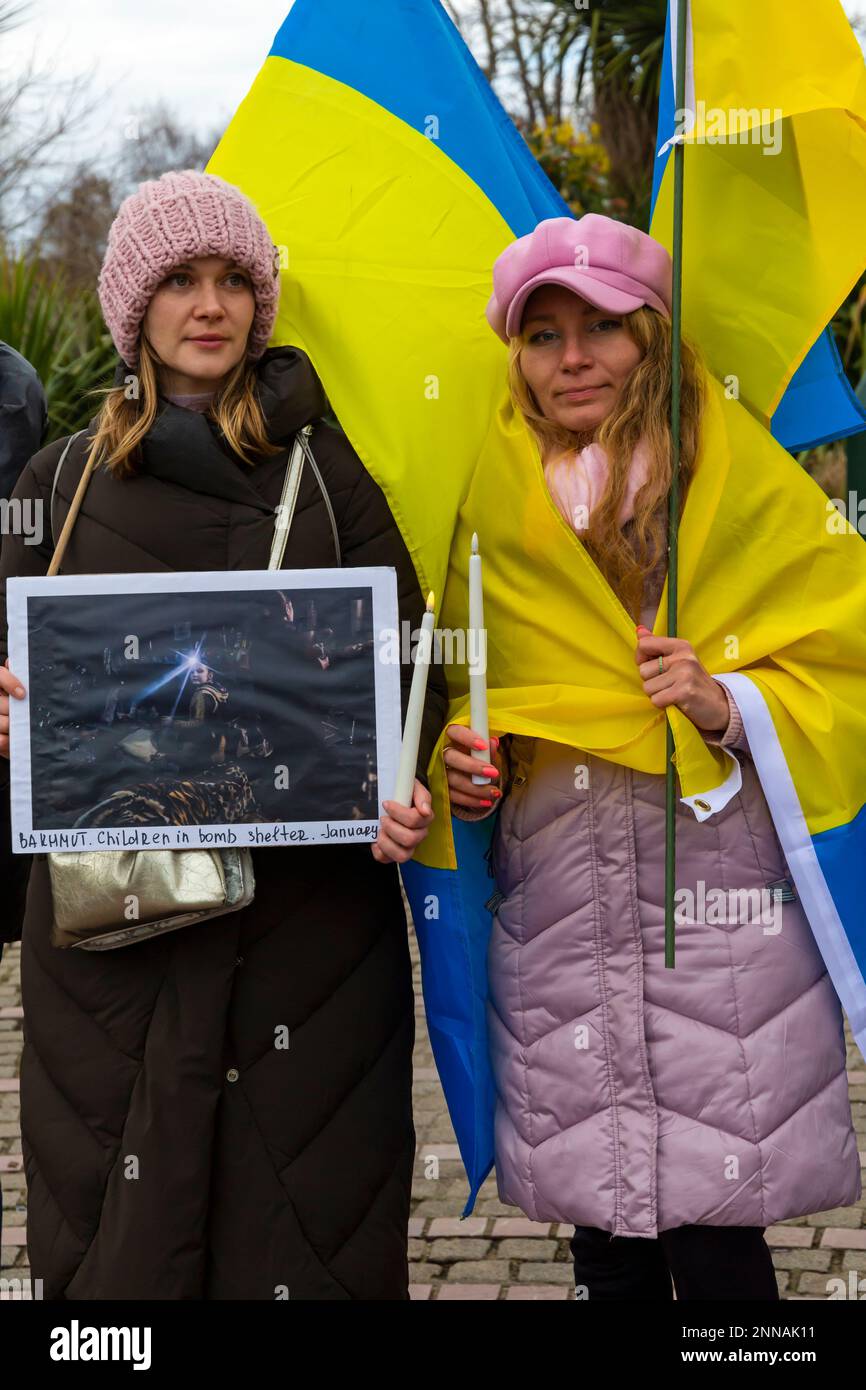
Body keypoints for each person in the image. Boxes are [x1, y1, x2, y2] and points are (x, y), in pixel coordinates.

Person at [0, 169, 448, 1300]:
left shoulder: (331, 476)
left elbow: (410, 666)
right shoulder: (57, 483)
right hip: (116, 933)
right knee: (118, 1252)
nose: (211, 305)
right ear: (132, 309)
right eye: (181, 280)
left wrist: (404, 781)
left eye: (234, 280)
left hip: (306, 939)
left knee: (299, 1231)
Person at [442, 215, 861, 1301]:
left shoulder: (738, 489)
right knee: (603, 1231)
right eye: (541, 334)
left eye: (601, 327)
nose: (571, 356)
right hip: (559, 917)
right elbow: (454, 695)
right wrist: (468, 772)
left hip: (717, 928)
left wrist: (728, 703)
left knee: (722, 1243)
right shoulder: (480, 509)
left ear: (653, 339)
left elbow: (843, 655)